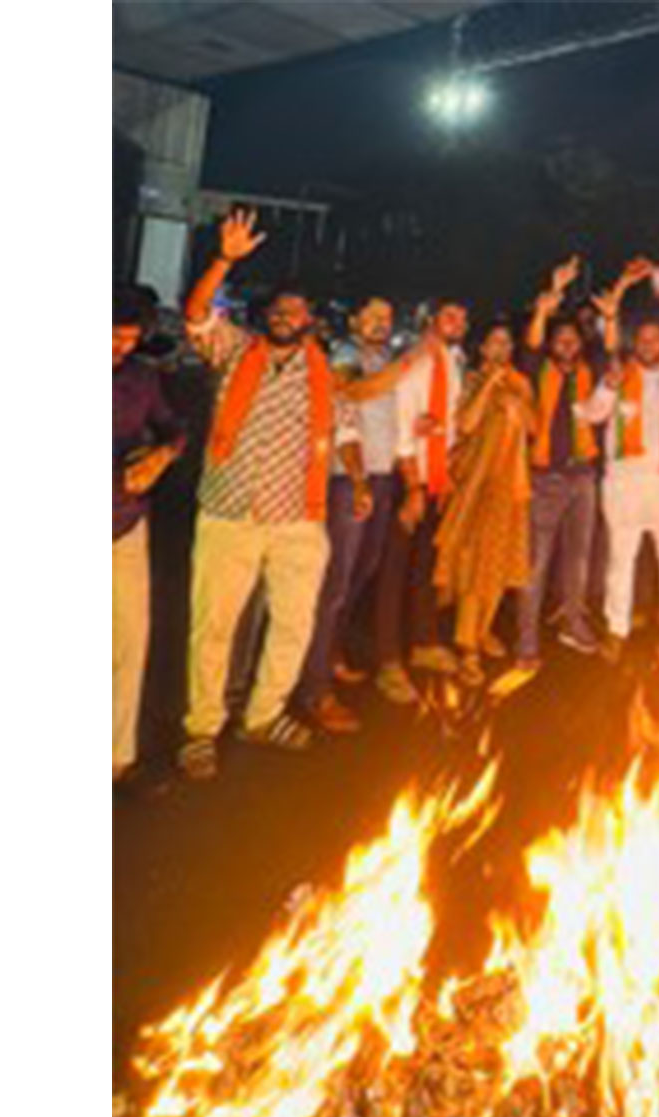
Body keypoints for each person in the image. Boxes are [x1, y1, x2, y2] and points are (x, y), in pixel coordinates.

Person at [177, 210, 357, 780]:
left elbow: (346, 432)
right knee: (214, 626)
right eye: (278, 309)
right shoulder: (235, 351)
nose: (285, 316)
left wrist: (357, 480)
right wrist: (224, 260)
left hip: (298, 519)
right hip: (229, 511)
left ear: (310, 321)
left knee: (294, 624)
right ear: (265, 316)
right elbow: (196, 314)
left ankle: (263, 714)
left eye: (295, 311)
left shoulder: (325, 374)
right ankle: (201, 728)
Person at [576, 298, 659, 667]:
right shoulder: (619, 374)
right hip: (626, 484)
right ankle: (616, 630)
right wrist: (607, 387)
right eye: (643, 340)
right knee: (621, 560)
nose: (649, 345)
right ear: (635, 342)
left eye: (655, 339)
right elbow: (591, 414)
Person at [295, 295, 401, 733]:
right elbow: (354, 391)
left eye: (386, 318)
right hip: (346, 478)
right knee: (336, 581)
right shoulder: (344, 354)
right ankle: (314, 687)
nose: (380, 324)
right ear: (355, 320)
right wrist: (414, 359)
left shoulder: (387, 359)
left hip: (383, 475)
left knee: (363, 570)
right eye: (372, 316)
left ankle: (330, 651)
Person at [374, 297, 470, 697]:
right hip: (408, 477)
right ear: (431, 320)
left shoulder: (451, 361)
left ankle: (424, 642)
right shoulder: (414, 361)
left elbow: (447, 425)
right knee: (394, 571)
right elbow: (402, 427)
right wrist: (412, 488)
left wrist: (445, 475)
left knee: (426, 566)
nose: (458, 323)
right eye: (450, 316)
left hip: (436, 477)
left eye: (462, 318)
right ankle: (387, 660)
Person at [433, 319, 536, 687]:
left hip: (511, 488)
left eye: (507, 344)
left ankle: (482, 629)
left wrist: (515, 402)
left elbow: (533, 427)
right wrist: (491, 384)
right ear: (481, 348)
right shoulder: (472, 380)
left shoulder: (520, 384)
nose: (501, 350)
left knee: (498, 566)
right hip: (476, 487)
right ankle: (468, 648)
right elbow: (465, 424)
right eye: (494, 343)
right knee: (475, 568)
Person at [516, 257, 605, 669]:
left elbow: (611, 348)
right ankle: (526, 642)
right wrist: (548, 300)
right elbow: (532, 344)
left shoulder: (590, 371)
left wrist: (611, 312)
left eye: (573, 340)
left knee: (579, 558)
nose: (567, 345)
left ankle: (573, 622)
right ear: (552, 344)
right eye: (561, 340)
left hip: (584, 476)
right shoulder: (537, 370)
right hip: (545, 479)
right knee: (536, 563)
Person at [113, 285, 185, 782]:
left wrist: (161, 455)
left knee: (127, 641)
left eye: (128, 338)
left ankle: (116, 758)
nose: (120, 347)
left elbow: (174, 427)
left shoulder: (141, 377)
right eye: (112, 336)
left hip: (124, 524)